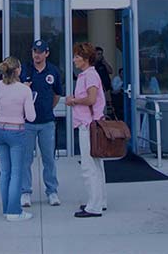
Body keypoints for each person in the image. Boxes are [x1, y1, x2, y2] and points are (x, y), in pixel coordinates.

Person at [62, 43, 108, 218]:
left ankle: (94, 206)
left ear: (86, 59)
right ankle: (99, 201)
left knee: (89, 166)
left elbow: (91, 99)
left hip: (88, 125)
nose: (74, 60)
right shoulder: (89, 75)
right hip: (92, 124)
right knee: (96, 165)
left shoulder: (89, 76)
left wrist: (73, 100)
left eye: (77, 57)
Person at [0, 57, 37, 221]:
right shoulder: (24, 90)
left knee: (5, 172)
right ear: (17, 71)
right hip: (16, 131)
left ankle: (6, 208)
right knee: (17, 173)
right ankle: (14, 211)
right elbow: (31, 116)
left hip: (0, 130)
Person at [19, 39, 62, 208]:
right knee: (25, 159)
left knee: (49, 159)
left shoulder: (53, 71)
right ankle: (25, 192)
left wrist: (47, 108)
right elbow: (16, 92)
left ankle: (52, 191)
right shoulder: (25, 70)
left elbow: (57, 94)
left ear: (47, 53)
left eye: (40, 51)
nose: (36, 55)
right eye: (34, 51)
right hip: (27, 123)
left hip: (46, 122)